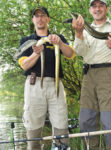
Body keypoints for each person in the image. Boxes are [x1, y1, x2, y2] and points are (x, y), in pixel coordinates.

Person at [72, 0, 111, 150]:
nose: (97, 9)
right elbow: (79, 52)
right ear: (90, 10)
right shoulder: (84, 28)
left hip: (109, 75)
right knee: (86, 121)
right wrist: (78, 33)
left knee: (110, 122)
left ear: (107, 8)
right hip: (88, 76)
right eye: (94, 6)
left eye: (101, 5)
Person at [17, 6, 75, 150]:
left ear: (48, 19)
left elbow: (70, 55)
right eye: (37, 16)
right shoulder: (27, 40)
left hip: (55, 84)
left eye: (43, 15)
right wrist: (36, 53)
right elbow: (24, 65)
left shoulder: (58, 37)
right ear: (33, 20)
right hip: (34, 85)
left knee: (61, 122)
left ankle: (61, 146)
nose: (40, 18)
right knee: (33, 124)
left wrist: (60, 43)